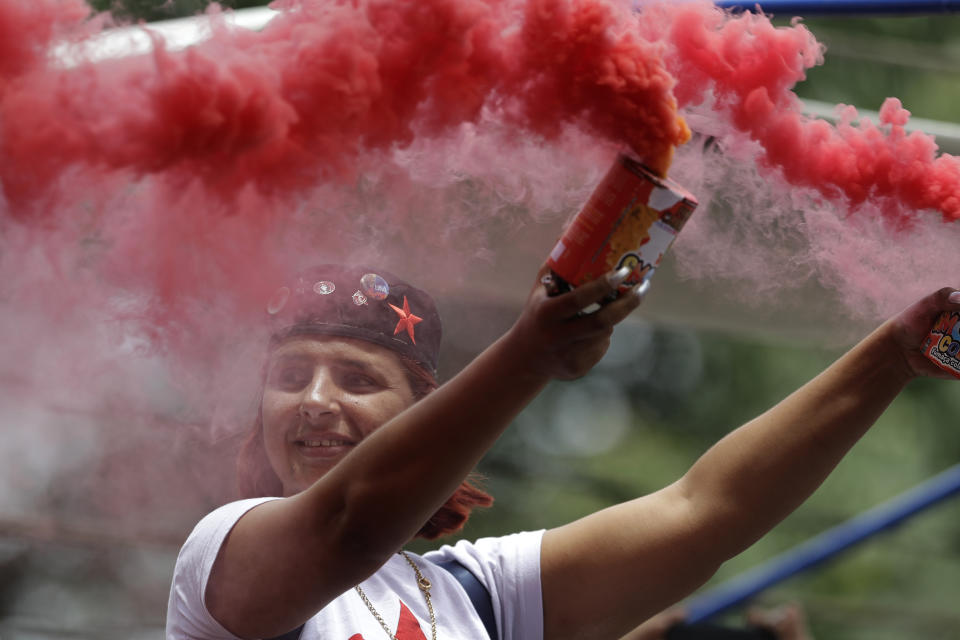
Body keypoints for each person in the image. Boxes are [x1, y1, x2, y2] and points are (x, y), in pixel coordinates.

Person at [166, 261, 959, 640]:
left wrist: (891, 356)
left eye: (356, 377)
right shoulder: (217, 550)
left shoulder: (474, 592)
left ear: (421, 415)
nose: (313, 401)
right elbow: (348, 525)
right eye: (290, 376)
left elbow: (704, 510)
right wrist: (531, 355)